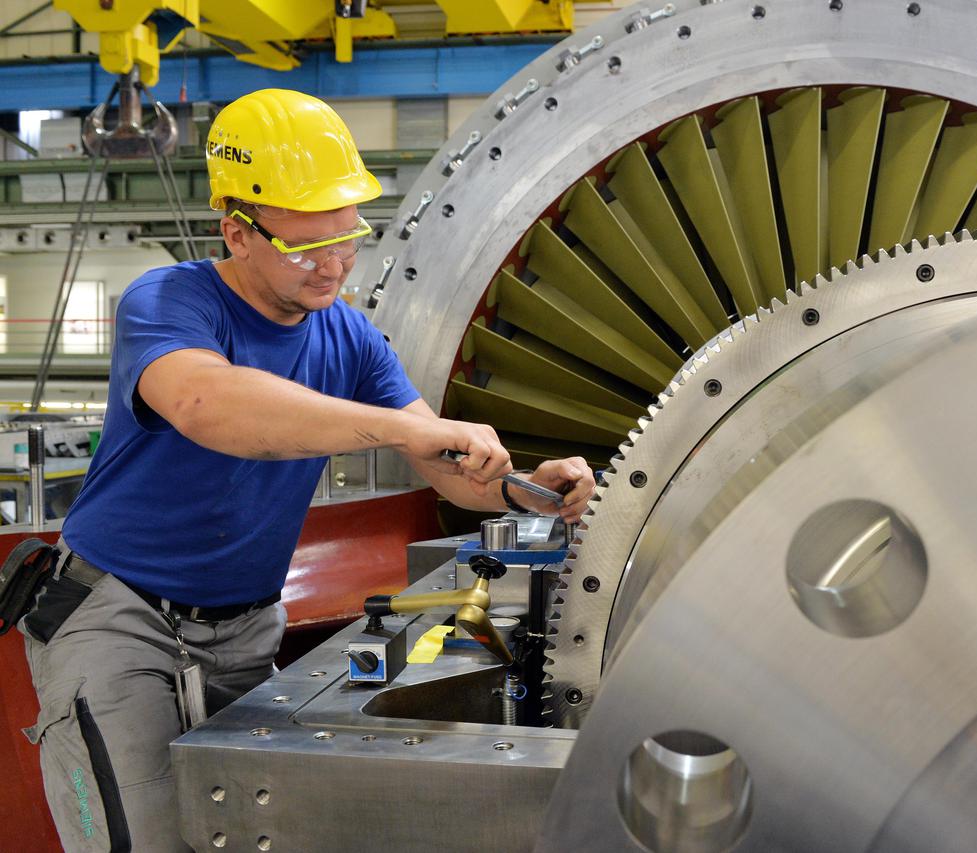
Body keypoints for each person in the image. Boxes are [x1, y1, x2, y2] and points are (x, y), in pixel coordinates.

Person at [18, 88, 594, 852]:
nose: (334, 265)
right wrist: (397, 427)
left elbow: (444, 461)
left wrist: (525, 489)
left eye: (347, 238)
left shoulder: (348, 336)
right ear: (238, 231)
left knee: (244, 830)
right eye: (306, 247)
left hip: (247, 630)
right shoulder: (169, 302)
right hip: (121, 621)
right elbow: (209, 404)